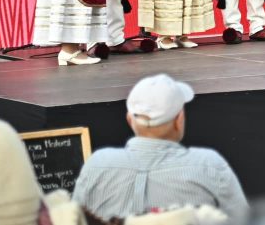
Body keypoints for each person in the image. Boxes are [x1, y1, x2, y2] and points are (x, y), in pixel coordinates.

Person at [73, 74, 248, 222]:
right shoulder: (209, 165)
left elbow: (74, 218)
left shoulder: (97, 164)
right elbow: (244, 220)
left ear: (129, 120)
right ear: (179, 120)